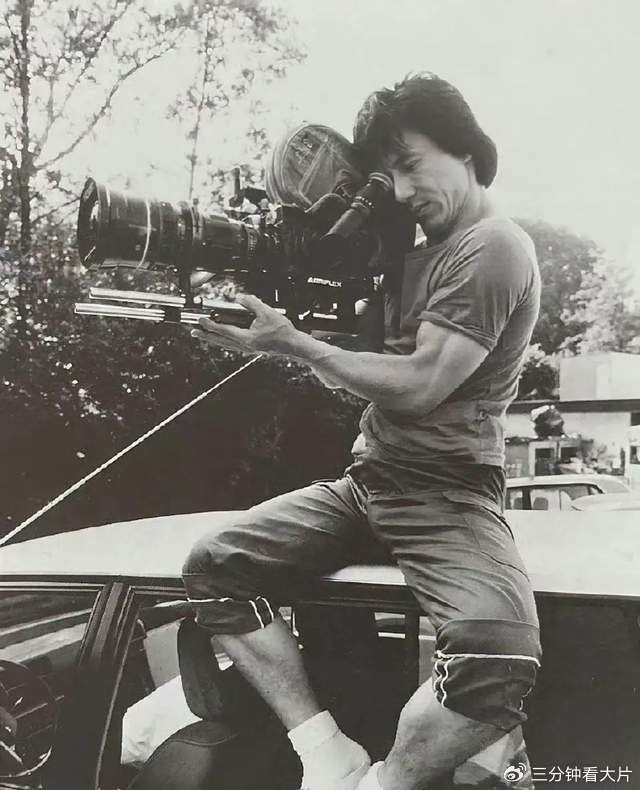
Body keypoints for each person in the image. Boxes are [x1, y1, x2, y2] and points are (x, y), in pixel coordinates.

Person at [183, 73, 542, 790]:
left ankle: (383, 785)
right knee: (214, 567)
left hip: (447, 493)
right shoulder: (409, 252)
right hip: (369, 481)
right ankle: (326, 754)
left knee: (495, 658)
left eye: (411, 165)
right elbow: (363, 371)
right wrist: (288, 304)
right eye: (388, 176)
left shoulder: (494, 245)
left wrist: (297, 345)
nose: (402, 192)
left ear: (466, 149)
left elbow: (421, 383)